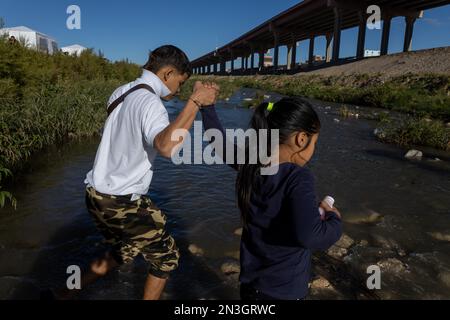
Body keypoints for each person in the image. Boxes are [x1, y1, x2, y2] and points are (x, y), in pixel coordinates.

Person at [51, 45, 219, 300]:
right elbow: (166, 146)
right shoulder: (150, 102)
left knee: (125, 252)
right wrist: (195, 102)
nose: (179, 90)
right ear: (168, 73)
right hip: (119, 201)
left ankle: (61, 295)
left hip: (95, 194)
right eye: (180, 82)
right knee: (167, 258)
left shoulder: (123, 91)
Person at [200, 95, 342, 300]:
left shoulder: (252, 164)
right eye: (314, 143)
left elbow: (220, 145)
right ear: (301, 139)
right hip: (283, 291)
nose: (313, 150)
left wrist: (207, 108)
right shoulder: (298, 176)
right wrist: (334, 221)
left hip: (250, 286)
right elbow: (311, 237)